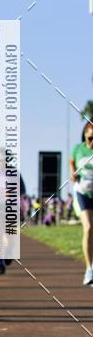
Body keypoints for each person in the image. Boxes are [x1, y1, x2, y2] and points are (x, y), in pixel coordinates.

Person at [70, 122, 93, 285]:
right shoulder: (79, 149)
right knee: (89, 227)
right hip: (82, 192)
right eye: (91, 138)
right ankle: (89, 269)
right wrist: (72, 172)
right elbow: (71, 161)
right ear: (85, 134)